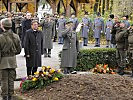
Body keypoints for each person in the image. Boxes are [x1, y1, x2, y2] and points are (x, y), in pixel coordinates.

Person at [0, 18, 21, 100]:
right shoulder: (16, 36)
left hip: (3, 61)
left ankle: (4, 96)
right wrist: (12, 54)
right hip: (12, 60)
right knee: (11, 79)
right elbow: (19, 50)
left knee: (3, 79)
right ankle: (11, 96)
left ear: (3, 26)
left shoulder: (1, 37)